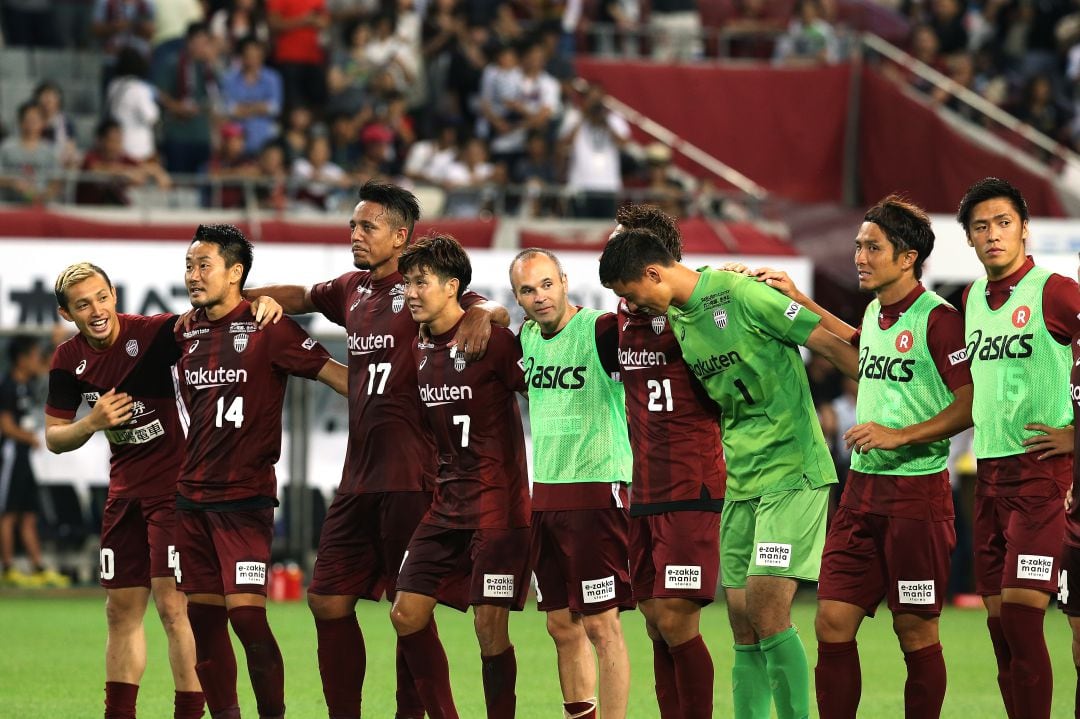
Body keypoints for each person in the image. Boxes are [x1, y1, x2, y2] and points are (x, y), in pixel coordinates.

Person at [241, 180, 508, 719]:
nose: (356, 235)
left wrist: (488, 313)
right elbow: (303, 296)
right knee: (327, 599)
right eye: (353, 226)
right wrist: (241, 298)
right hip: (359, 476)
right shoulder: (352, 290)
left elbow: (488, 308)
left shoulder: (425, 289)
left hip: (415, 475)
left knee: (408, 611)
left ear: (402, 236)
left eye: (368, 227)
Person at [598, 230, 857, 719]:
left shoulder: (742, 294)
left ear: (654, 273)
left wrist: (880, 386)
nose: (630, 304)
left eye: (631, 293)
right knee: (740, 620)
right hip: (740, 479)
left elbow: (830, 344)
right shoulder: (678, 316)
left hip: (792, 472)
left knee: (765, 610)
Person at [734, 196, 974, 718]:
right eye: (858, 245)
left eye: (872, 247)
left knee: (915, 630)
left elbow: (971, 403)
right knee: (831, 623)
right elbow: (857, 346)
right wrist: (796, 300)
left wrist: (901, 434)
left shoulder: (940, 321)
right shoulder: (876, 313)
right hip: (861, 496)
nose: (859, 256)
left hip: (918, 499)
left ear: (907, 257)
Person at [173, 224, 347, 719]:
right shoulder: (183, 331)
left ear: (236, 272)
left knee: (247, 619)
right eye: (188, 265)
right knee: (203, 622)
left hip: (245, 501)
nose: (192, 275)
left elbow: (338, 377)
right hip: (191, 502)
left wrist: (406, 393)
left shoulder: (270, 326)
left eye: (203, 265)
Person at [46, 262, 232, 719]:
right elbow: (53, 436)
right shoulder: (68, 360)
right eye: (82, 304)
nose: (96, 310)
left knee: (174, 609)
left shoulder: (153, 335)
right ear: (67, 313)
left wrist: (264, 301)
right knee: (119, 612)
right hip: (123, 496)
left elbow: (218, 311)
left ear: (114, 295)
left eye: (101, 297)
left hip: (175, 492)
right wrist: (92, 422)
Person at [389, 234, 530, 719]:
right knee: (405, 615)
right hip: (445, 507)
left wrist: (491, 313)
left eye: (420, 282)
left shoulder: (492, 343)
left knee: (490, 633)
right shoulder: (419, 347)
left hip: (498, 508)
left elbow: (543, 395)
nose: (410, 291)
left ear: (452, 288)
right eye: (407, 282)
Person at [957, 177, 1079, 719]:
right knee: (1002, 631)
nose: (993, 235)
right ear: (969, 239)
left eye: (1003, 223)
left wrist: (1076, 435)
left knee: (1025, 619)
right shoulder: (970, 300)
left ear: (1025, 230)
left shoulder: (1055, 291)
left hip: (1042, 477)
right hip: (989, 477)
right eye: (981, 227)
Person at [609, 205, 725, 719]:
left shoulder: (700, 311)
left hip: (691, 488)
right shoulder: (619, 318)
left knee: (677, 621)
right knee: (655, 619)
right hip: (645, 491)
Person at [510, 247, 632, 719]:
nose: (539, 297)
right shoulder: (526, 339)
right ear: (518, 298)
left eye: (546, 284)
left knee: (603, 627)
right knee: (561, 624)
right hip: (547, 494)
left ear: (563, 281)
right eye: (527, 289)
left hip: (597, 490)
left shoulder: (600, 330)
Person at [1, 335, 66, 589]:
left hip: (26, 456)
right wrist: (30, 437)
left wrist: (56, 342)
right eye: (34, 356)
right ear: (21, 358)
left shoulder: (27, 384)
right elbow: (5, 426)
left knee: (28, 514)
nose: (38, 361)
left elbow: (50, 367)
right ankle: (7, 568)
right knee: (8, 513)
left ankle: (37, 567)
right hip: (11, 454)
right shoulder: (7, 386)